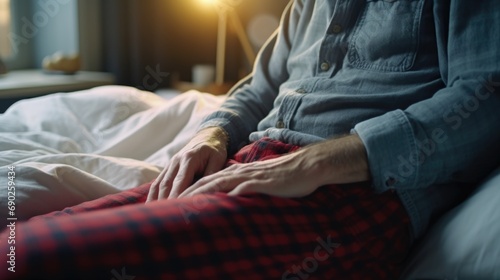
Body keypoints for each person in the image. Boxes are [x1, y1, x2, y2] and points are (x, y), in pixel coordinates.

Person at [2, 0, 500, 279]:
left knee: (27, 260)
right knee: (12, 242)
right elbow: (258, 88)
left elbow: (486, 96)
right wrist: (212, 134)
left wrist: (312, 165)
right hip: (248, 165)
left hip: (348, 193)